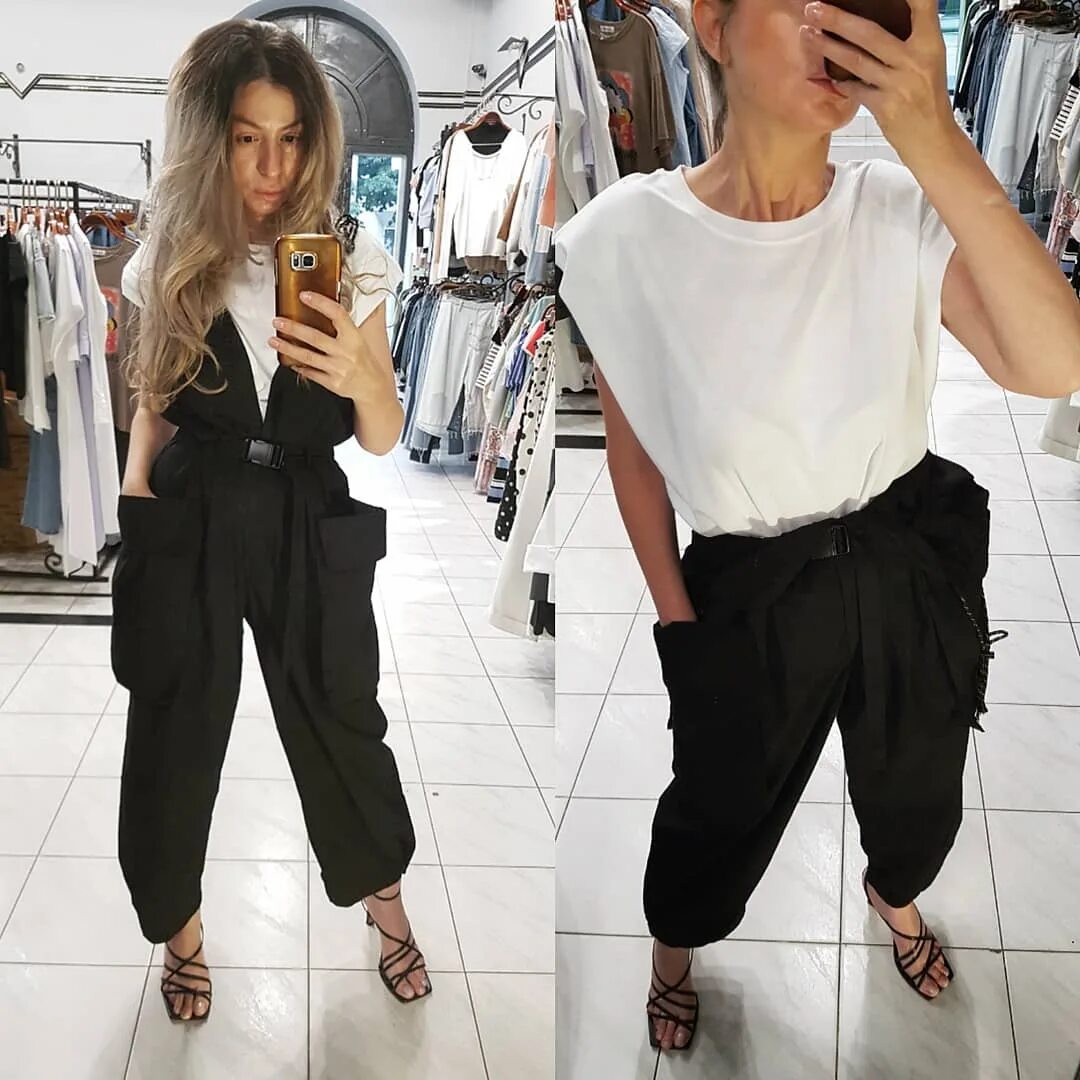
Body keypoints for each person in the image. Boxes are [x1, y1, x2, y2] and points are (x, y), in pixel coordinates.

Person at [557, 0, 1080, 1054]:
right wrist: (678, 622)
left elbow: (1054, 363)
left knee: (919, 782)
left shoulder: (900, 205)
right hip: (748, 587)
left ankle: (895, 894)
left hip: (905, 555)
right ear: (713, 24)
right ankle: (675, 946)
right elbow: (634, 452)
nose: (834, 28)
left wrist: (933, 132)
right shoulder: (623, 237)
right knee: (716, 804)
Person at [115, 19, 431, 1022]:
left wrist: (359, 374)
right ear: (210, 138)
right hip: (195, 508)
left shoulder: (351, 250)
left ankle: (387, 909)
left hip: (307, 507)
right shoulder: (169, 253)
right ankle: (181, 933)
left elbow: (381, 434)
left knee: (343, 718)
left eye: (291, 138)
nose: (271, 166)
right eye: (247, 138)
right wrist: (137, 504)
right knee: (172, 726)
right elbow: (153, 400)